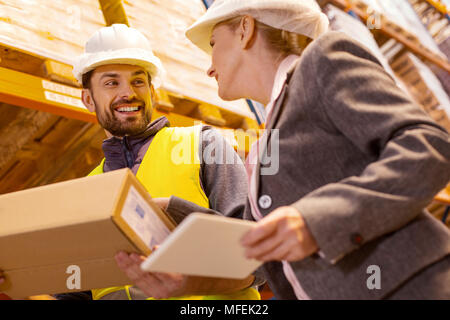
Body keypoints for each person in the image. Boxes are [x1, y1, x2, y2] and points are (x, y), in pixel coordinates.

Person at [179, 0, 450, 299]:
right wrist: (172, 215)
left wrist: (317, 221)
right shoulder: (263, 145)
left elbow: (427, 145)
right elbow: (255, 249)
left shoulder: (324, 60)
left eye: (213, 43)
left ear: (245, 29)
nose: (208, 68)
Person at [0, 23, 262, 300]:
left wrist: (173, 211)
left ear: (152, 91)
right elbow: (79, 289)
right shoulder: (89, 187)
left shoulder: (204, 143)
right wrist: (17, 283)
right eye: (112, 82)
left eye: (138, 81)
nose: (129, 93)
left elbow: (257, 257)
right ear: (88, 99)